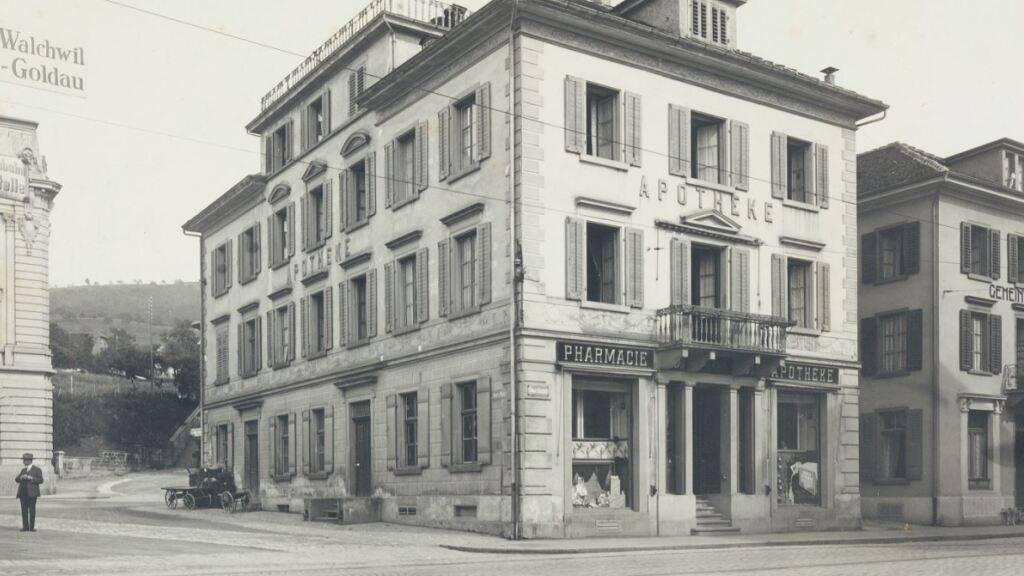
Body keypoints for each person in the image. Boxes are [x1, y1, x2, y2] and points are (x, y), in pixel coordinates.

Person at [15, 452, 44, 532]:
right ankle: (25, 527)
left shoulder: (37, 469)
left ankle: (31, 527)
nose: (23, 462)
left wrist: (32, 478)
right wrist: (21, 477)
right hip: (23, 493)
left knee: (32, 510)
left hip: (32, 493)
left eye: (25, 460)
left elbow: (41, 480)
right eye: (24, 460)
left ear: (29, 461)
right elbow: (16, 479)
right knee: (24, 510)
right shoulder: (23, 470)